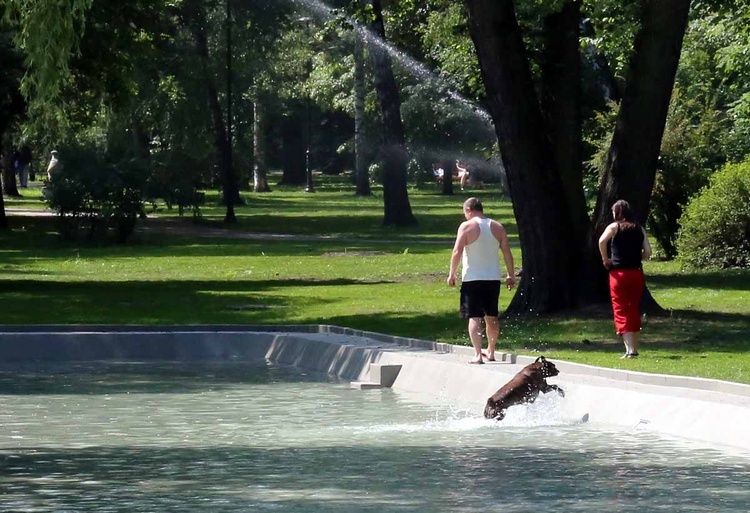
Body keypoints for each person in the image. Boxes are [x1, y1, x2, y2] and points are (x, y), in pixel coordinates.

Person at [447, 197, 516, 364]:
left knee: (474, 317)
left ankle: (478, 354)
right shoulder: (497, 227)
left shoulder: (466, 226)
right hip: (492, 277)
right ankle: (491, 351)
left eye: (465, 213)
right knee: (491, 316)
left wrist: (452, 273)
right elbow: (507, 252)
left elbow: (457, 251)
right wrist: (510, 274)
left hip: (472, 277)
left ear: (469, 210)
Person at [598, 199, 653, 358]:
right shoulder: (639, 228)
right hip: (636, 273)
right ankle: (633, 347)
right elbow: (648, 251)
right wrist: (637, 258)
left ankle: (630, 350)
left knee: (621, 309)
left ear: (617, 212)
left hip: (619, 274)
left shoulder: (614, 227)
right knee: (633, 308)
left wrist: (605, 259)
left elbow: (602, 241)